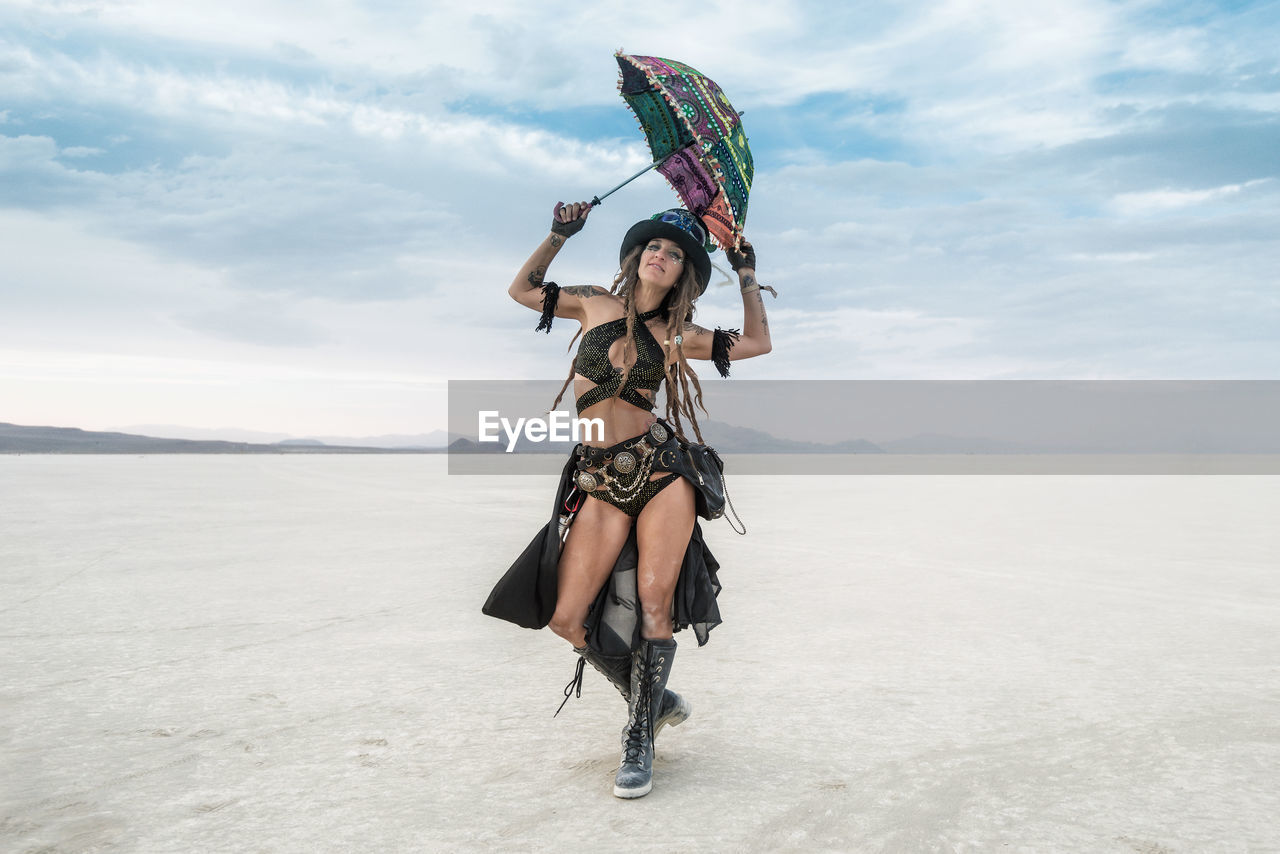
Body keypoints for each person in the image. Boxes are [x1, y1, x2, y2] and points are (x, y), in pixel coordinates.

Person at [496, 200, 772, 799]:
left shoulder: (679, 335)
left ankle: (638, 738)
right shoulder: (592, 302)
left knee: (653, 601)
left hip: (659, 471)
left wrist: (746, 273)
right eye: (655, 246)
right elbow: (522, 289)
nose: (662, 255)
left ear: (684, 276)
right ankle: (654, 700)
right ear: (636, 254)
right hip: (598, 473)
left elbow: (756, 344)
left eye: (676, 255)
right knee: (567, 618)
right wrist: (558, 234)